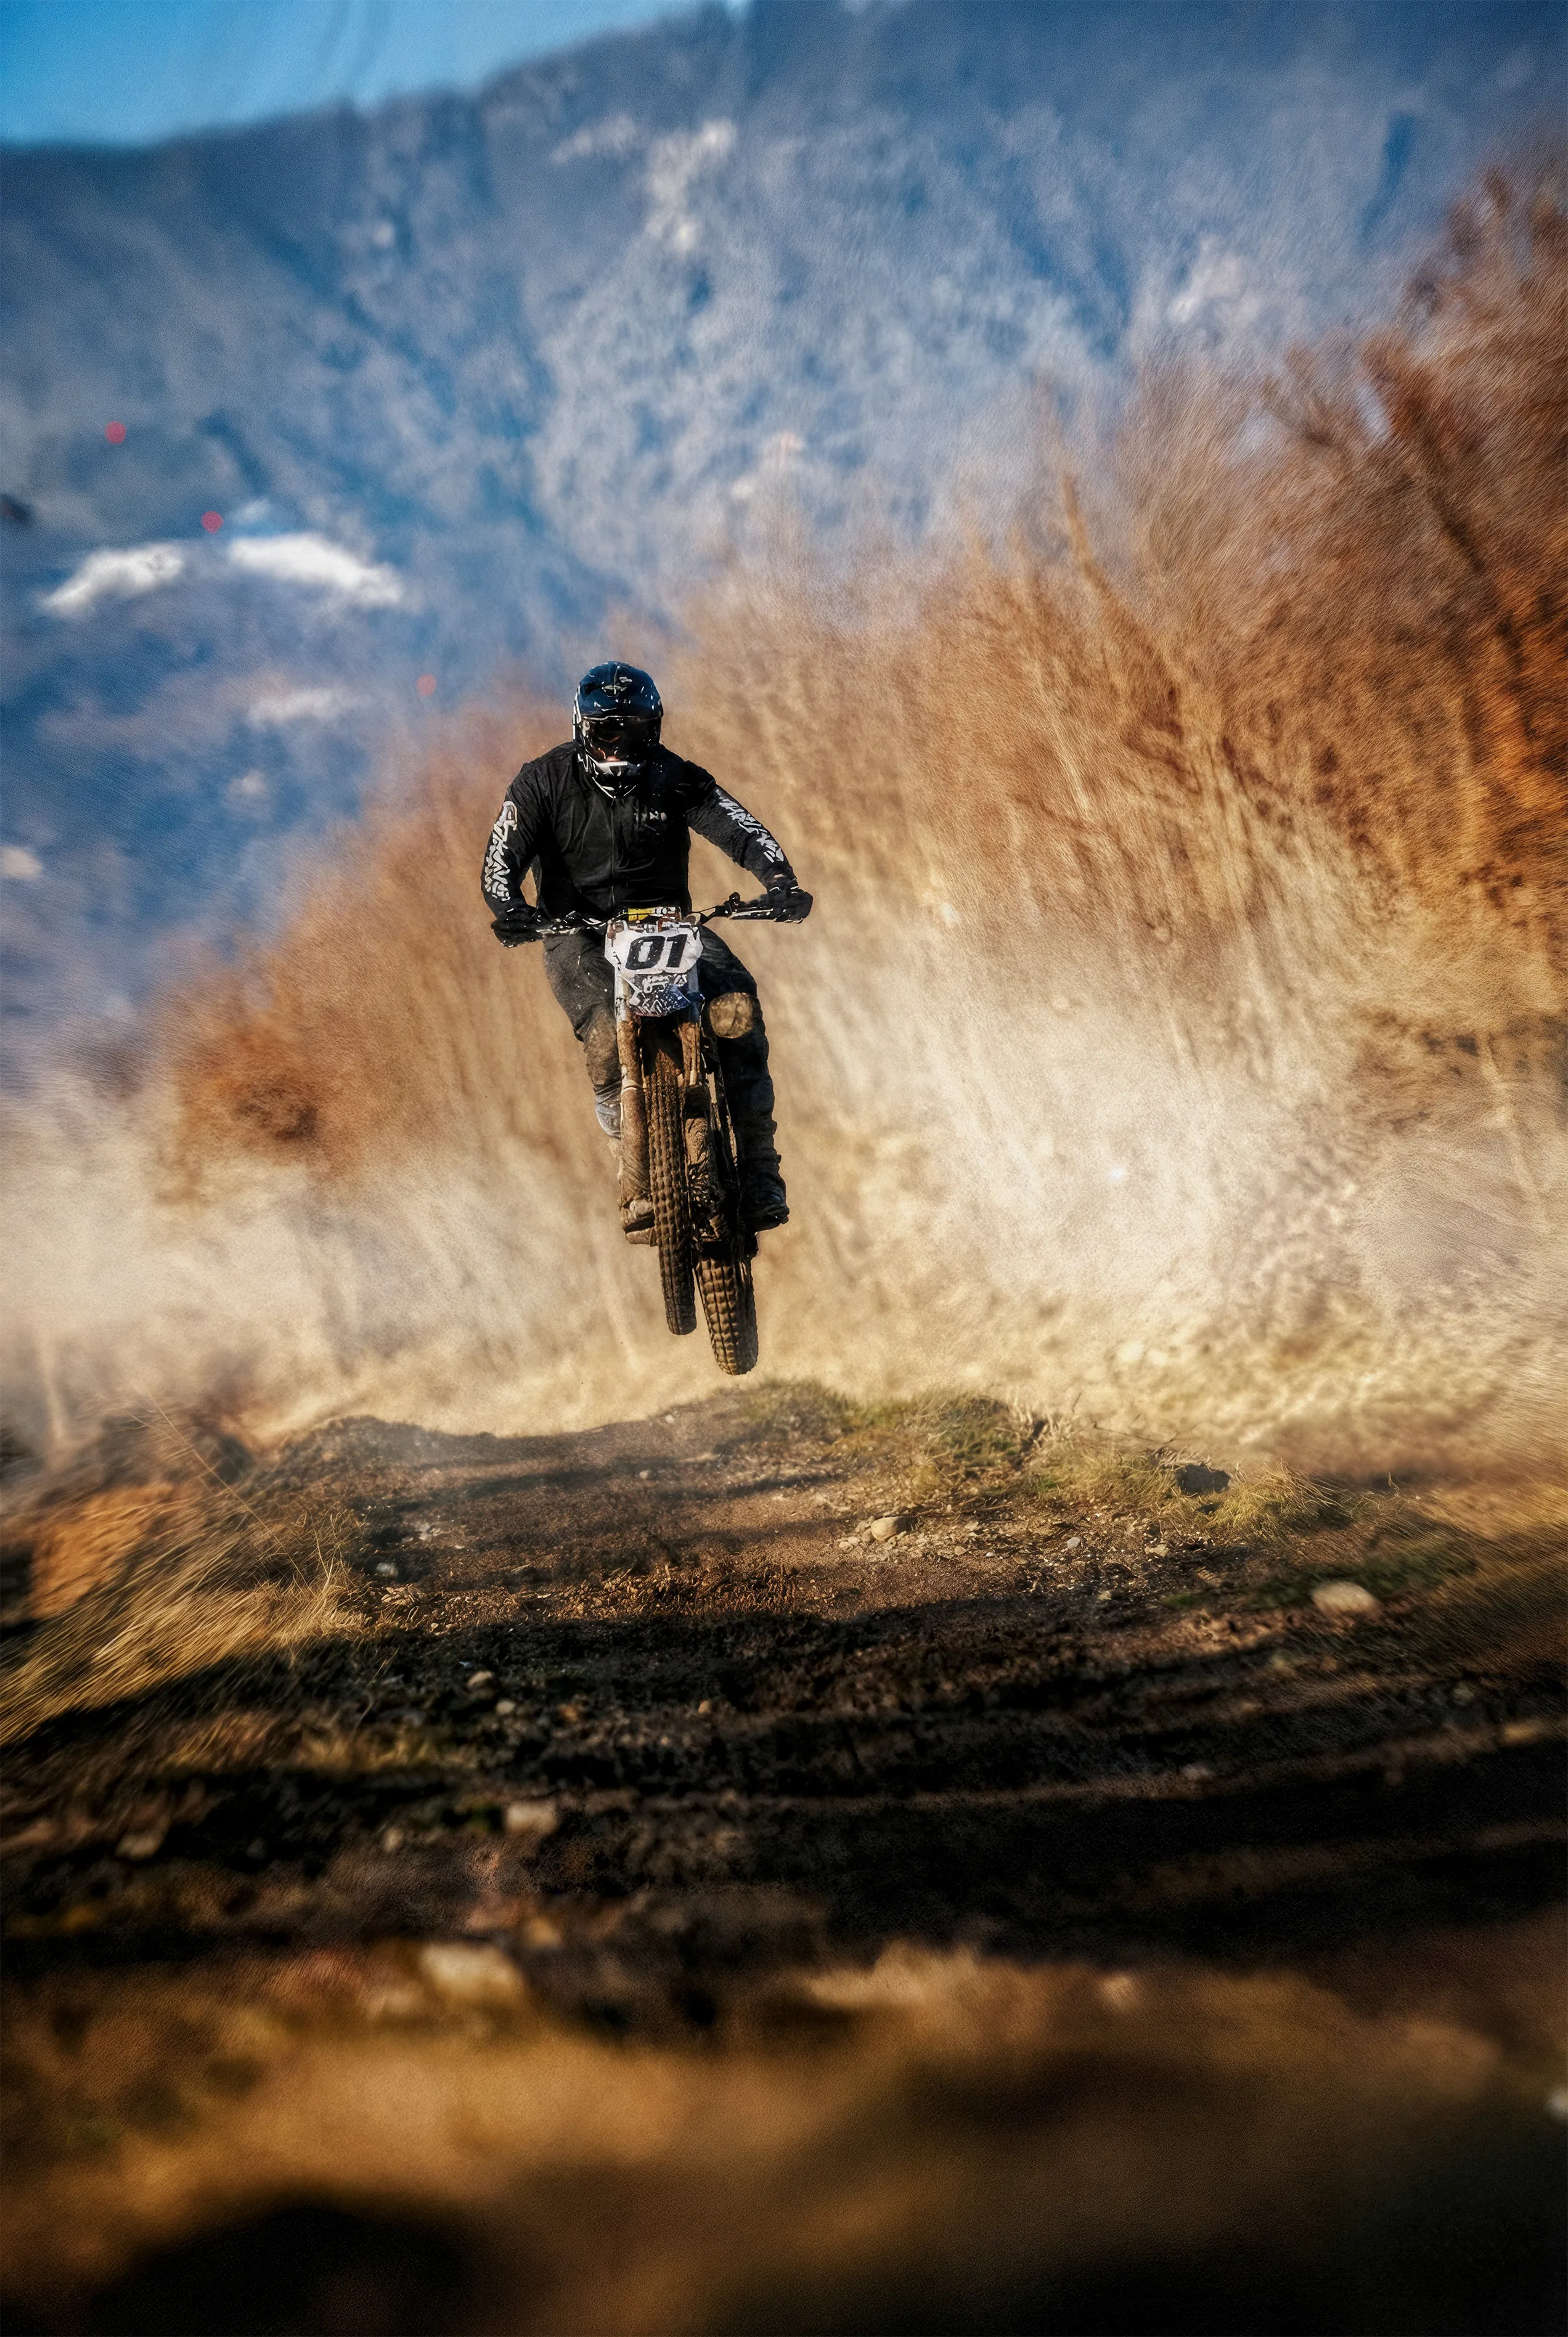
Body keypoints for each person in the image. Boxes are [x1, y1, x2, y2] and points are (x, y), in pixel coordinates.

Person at [481, 661, 811, 1233]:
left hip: (669, 927)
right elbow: (499, 860)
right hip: (575, 933)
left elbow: (740, 829)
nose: (619, 744)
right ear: (583, 729)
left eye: (633, 730)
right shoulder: (540, 782)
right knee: (607, 1042)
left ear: (654, 730)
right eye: (606, 730)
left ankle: (761, 1168)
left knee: (736, 1009)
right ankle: (632, 1172)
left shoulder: (676, 776)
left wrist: (780, 880)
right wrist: (510, 908)